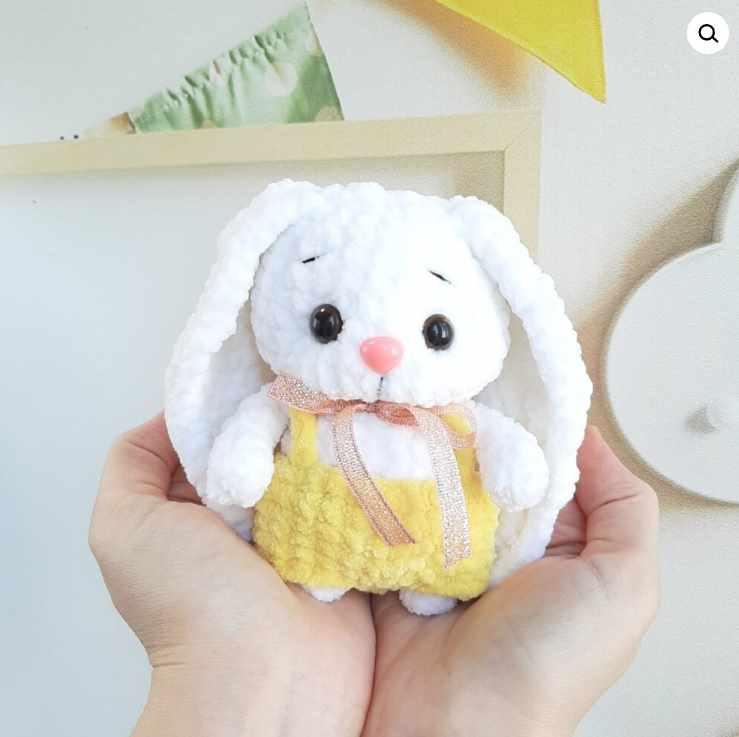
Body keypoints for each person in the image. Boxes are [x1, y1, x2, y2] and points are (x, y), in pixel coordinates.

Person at [90, 415, 659, 737]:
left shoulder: (460, 418)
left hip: (436, 572)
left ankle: (428, 588)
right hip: (309, 561)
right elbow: (251, 431)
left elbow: (507, 449)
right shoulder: (296, 403)